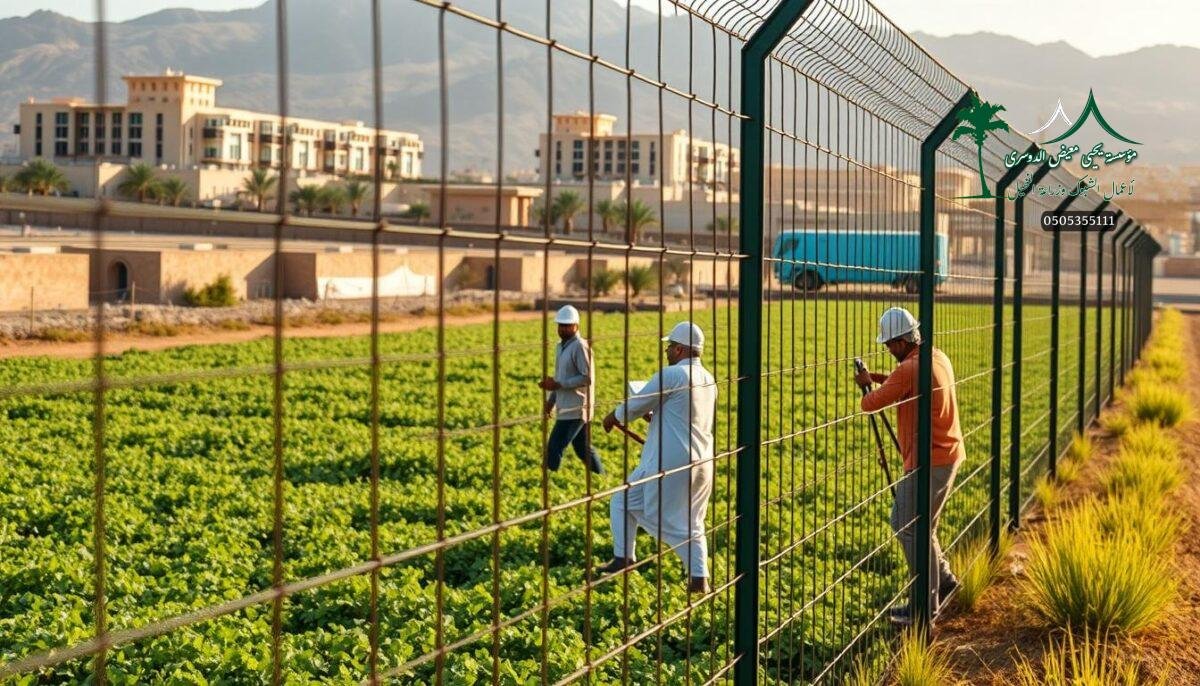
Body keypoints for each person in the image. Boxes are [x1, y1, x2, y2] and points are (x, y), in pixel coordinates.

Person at [854, 307, 965, 625]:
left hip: (928, 462)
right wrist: (876, 378)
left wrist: (867, 386)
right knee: (924, 528)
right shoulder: (935, 356)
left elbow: (869, 404)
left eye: (889, 344)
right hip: (948, 455)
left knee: (906, 525)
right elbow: (905, 382)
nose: (888, 349)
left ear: (902, 341)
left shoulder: (908, 370)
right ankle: (943, 583)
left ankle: (923, 606)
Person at [599, 321, 716, 594]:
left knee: (666, 520)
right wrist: (655, 416)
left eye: (669, 347)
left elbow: (636, 404)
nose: (666, 352)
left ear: (679, 349)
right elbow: (681, 414)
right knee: (623, 501)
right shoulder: (707, 379)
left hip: (670, 462)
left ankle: (700, 580)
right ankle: (623, 558)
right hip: (701, 461)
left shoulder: (673, 375)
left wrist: (613, 416)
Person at [539, 305, 603, 474]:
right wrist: (551, 401)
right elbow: (559, 376)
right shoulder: (560, 347)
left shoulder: (580, 346)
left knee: (554, 447)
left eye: (567, 325)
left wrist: (558, 384)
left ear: (576, 326)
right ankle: (601, 478)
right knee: (583, 449)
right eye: (561, 325)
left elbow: (587, 378)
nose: (563, 329)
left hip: (577, 408)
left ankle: (547, 483)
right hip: (565, 406)